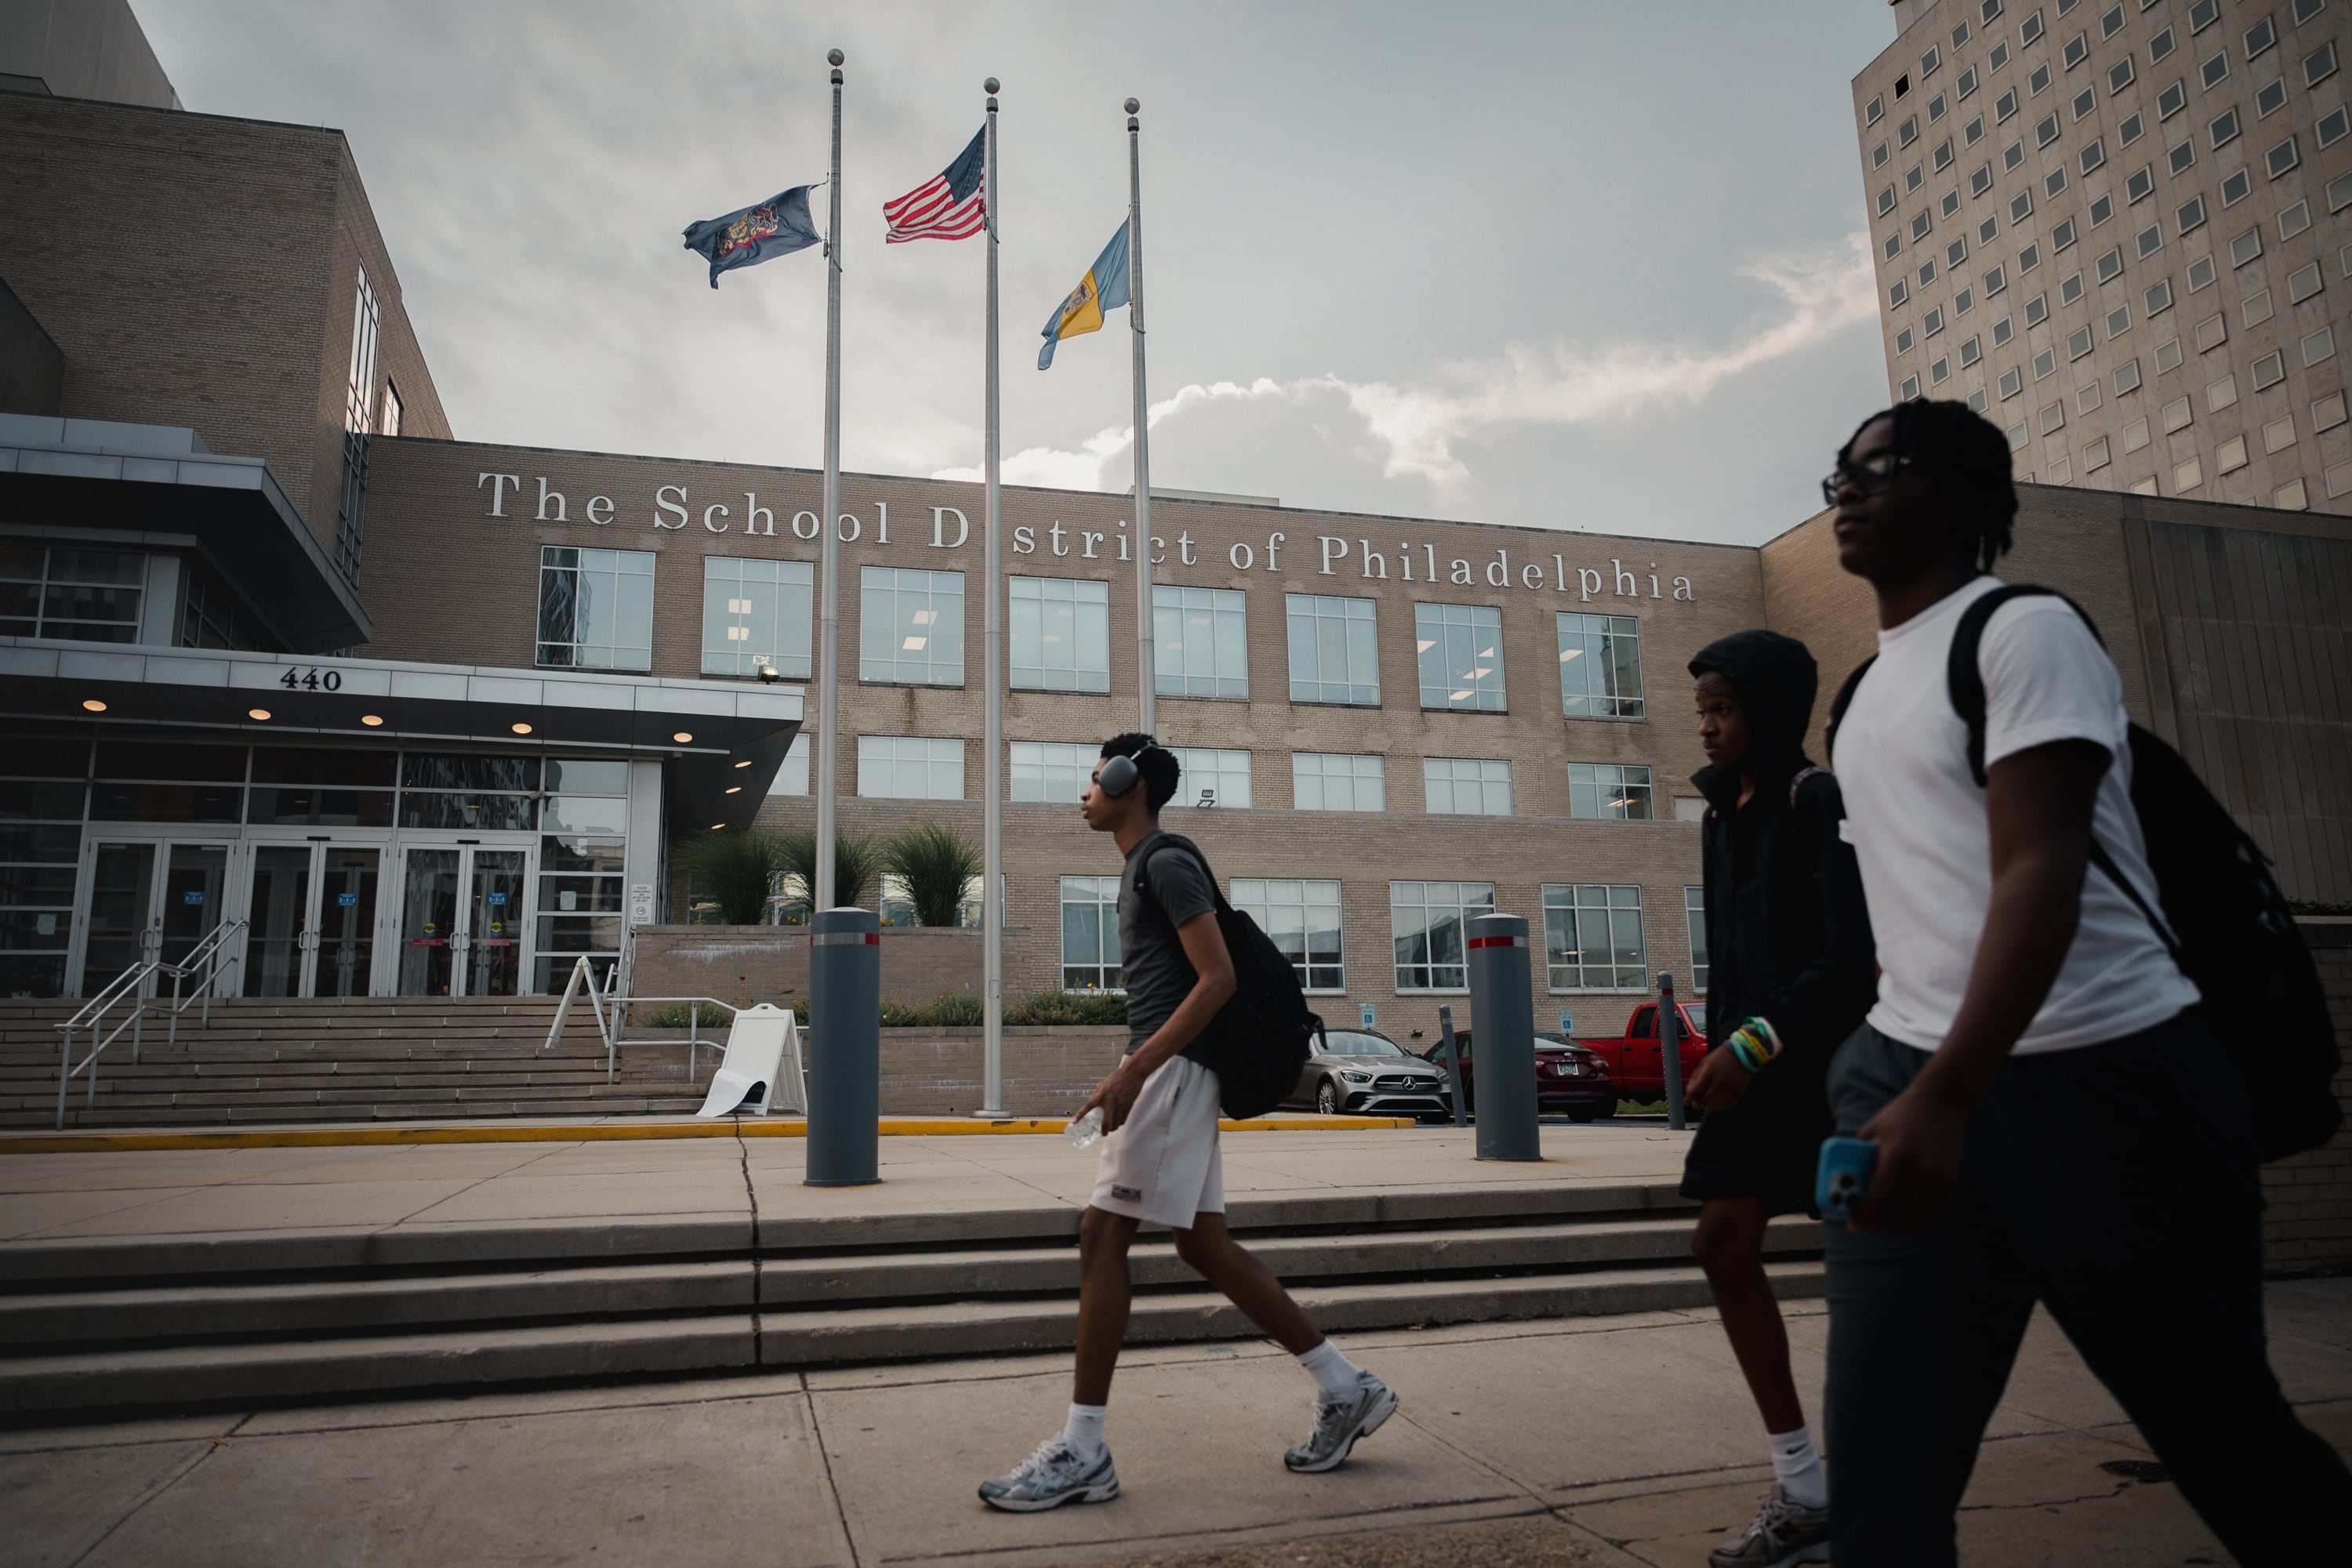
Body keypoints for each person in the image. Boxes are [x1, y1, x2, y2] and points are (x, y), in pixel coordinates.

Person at [1820, 398, 2351, 1565]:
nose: (1846, 493)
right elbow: (1915, 908)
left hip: (2109, 1093)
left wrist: (1951, 1091)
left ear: (1960, 492)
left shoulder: (2024, 631)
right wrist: (1880, 1067)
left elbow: (2040, 866)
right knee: (1881, 1485)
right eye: (1837, 477)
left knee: (2227, 1443)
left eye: (1879, 469)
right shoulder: (1859, 696)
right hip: (1914, 1089)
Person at [978, 734, 1396, 1512]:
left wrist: (1135, 1069)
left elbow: (1217, 979)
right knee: (1202, 1241)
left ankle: (1083, 1448)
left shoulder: (1165, 861)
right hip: (1174, 1069)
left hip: (1175, 1070)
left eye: (1095, 775)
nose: (1085, 790)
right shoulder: (1147, 865)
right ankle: (1346, 1386)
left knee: (1102, 1237)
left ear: (1126, 779)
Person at [1679, 630, 1877, 1568]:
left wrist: (1753, 1043)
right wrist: (1720, 1044)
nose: (1708, 726)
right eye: (1702, 711)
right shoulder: (1721, 816)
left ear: (1767, 709)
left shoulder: (1812, 797)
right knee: (1722, 1243)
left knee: (1870, 1278)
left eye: (1722, 708)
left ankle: (1873, 1483)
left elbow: (1853, 954)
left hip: (1824, 1074)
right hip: (1752, 1074)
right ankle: (1804, 1484)